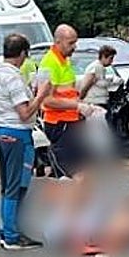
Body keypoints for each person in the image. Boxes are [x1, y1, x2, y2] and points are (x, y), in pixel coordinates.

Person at [0, 33, 47, 250]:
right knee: (16, 185)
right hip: (17, 133)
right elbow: (24, 112)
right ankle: (11, 235)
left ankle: (9, 229)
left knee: (9, 185)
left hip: (0, 129)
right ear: (23, 54)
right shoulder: (13, 77)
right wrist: (40, 96)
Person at [38, 24, 87, 176]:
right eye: (70, 43)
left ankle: (72, 198)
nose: (75, 47)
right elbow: (46, 100)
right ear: (58, 42)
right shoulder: (49, 63)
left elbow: (67, 91)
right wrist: (78, 105)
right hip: (59, 123)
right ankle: (62, 199)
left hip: (70, 122)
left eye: (75, 42)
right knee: (65, 171)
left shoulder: (64, 60)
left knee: (76, 169)